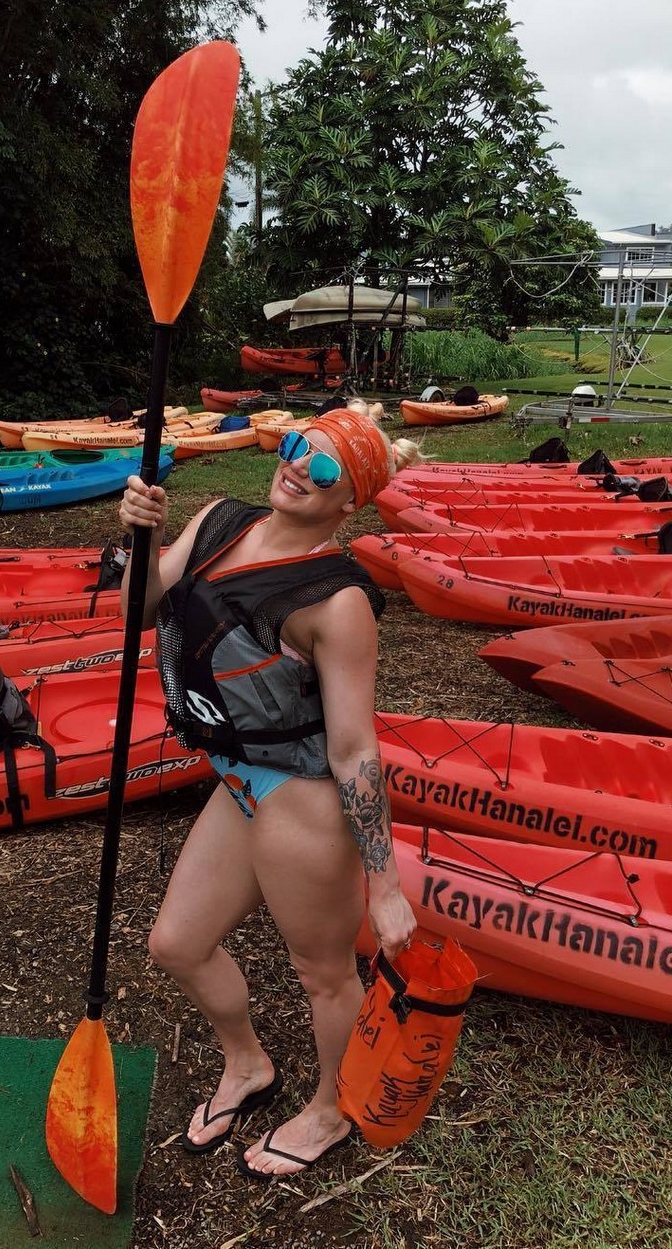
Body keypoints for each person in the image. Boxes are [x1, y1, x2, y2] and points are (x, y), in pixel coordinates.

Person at [118, 407, 417, 1182]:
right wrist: (142, 538)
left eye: (321, 470)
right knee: (177, 944)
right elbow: (138, 609)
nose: (295, 468)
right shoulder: (221, 519)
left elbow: (354, 747)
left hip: (304, 793)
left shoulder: (337, 601)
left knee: (322, 972)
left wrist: (384, 885)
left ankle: (331, 1108)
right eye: (293, 448)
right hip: (238, 777)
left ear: (349, 499)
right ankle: (248, 1064)